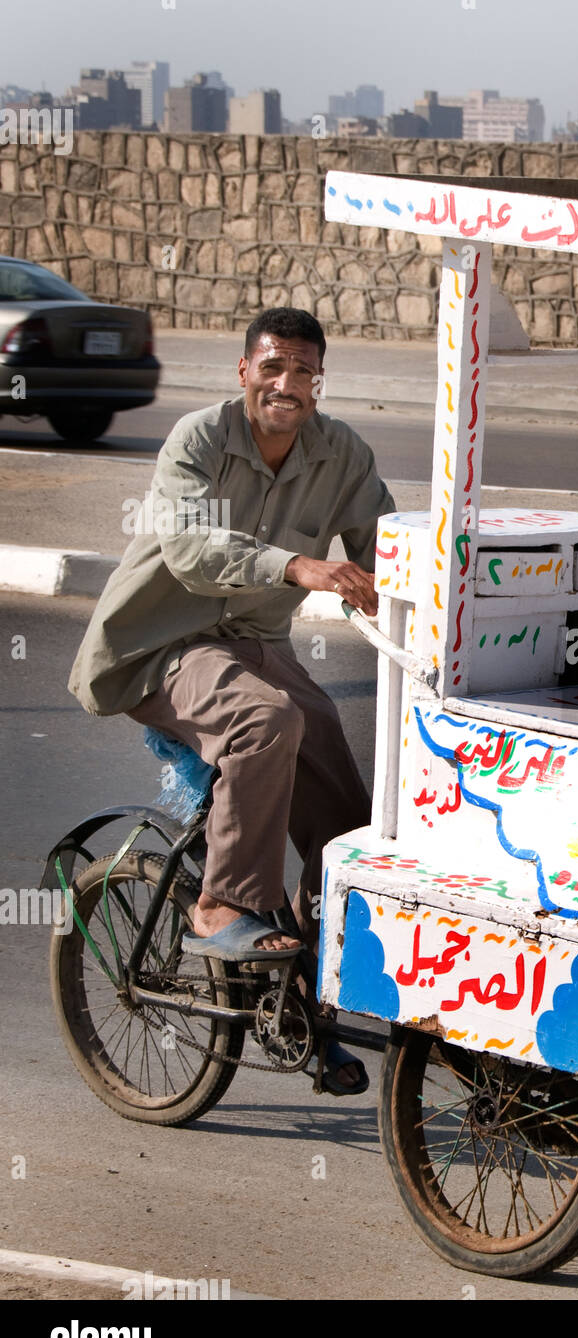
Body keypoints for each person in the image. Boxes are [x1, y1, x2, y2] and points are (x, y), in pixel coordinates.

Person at [68, 308, 396, 1095]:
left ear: (320, 381)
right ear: (243, 371)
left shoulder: (340, 451)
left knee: (350, 833)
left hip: (259, 647)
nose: (288, 385)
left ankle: (305, 1007)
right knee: (264, 718)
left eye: (304, 372)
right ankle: (221, 904)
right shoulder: (199, 440)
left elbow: (389, 540)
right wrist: (297, 568)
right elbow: (186, 547)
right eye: (273, 367)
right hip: (163, 646)